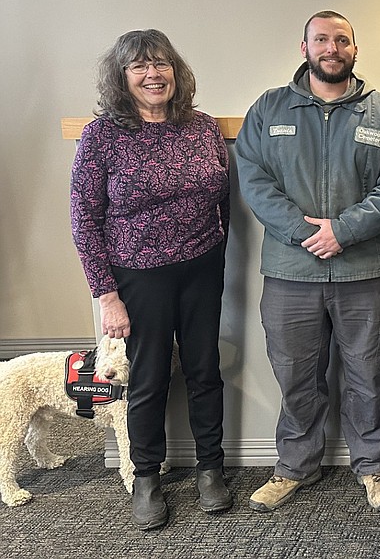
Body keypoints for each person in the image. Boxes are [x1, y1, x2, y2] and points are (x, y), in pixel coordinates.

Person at [236, 11, 380, 513]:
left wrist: (344, 230)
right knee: (294, 373)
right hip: (291, 271)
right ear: (304, 47)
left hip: (366, 270)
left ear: (356, 49)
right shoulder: (269, 109)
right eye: (321, 40)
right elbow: (254, 179)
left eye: (342, 40)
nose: (331, 48)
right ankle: (294, 467)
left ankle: (373, 467)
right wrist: (308, 232)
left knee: (368, 374)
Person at [70, 29, 231, 530]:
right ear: (122, 77)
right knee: (149, 378)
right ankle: (145, 477)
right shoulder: (102, 136)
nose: (152, 74)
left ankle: (211, 469)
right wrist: (106, 295)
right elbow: (84, 219)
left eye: (161, 63)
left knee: (205, 368)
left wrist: (217, 249)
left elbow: (223, 197)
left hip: (203, 268)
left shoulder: (201, 127)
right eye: (139, 66)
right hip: (138, 277)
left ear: (176, 71)